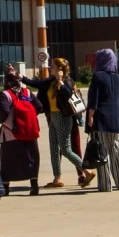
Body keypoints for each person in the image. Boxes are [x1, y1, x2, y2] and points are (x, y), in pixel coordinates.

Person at [31, 57, 87, 188]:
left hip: (67, 117)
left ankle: (84, 173)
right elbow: (38, 85)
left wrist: (61, 81)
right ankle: (57, 178)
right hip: (53, 117)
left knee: (70, 148)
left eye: (53, 66)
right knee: (55, 149)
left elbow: (71, 96)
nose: (50, 68)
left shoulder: (67, 81)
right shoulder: (51, 81)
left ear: (60, 69)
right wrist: (20, 77)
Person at [85, 49, 119, 191]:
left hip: (100, 119)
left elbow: (94, 100)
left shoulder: (98, 77)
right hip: (115, 120)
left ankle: (105, 185)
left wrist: (90, 117)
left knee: (102, 152)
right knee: (116, 151)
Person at [0, 64, 42, 196]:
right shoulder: (27, 92)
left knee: (7, 160)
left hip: (11, 133)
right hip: (30, 132)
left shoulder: (4, 94)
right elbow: (39, 107)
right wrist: (28, 119)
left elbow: (4, 111)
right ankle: (34, 185)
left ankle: (5, 187)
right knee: (32, 158)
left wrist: (1, 120)